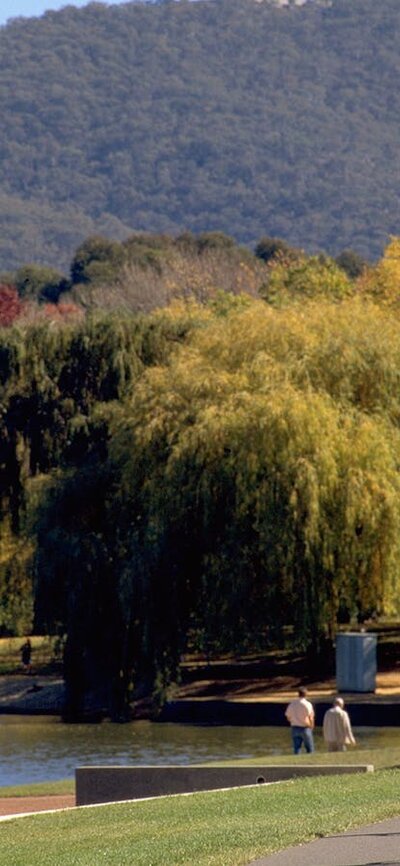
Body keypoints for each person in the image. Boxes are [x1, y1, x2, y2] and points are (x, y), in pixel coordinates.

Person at [285, 686, 315, 754]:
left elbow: (288, 716)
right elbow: (311, 717)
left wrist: (293, 721)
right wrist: (312, 726)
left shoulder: (292, 704)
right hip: (305, 728)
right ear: (306, 694)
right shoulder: (308, 704)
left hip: (295, 727)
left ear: (298, 694)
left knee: (297, 749)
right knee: (310, 749)